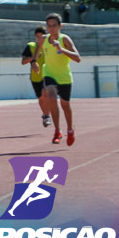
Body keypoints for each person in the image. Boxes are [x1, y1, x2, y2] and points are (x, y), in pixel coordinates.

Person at [33, 13, 81, 146]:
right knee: (51, 96)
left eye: (54, 26)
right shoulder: (43, 39)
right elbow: (38, 48)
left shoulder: (65, 39)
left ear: (60, 26)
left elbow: (77, 58)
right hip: (49, 74)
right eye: (49, 26)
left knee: (65, 105)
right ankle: (57, 131)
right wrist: (34, 61)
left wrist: (61, 49)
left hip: (64, 77)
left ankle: (70, 130)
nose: (51, 29)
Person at [21, 26, 50, 127]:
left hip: (47, 75)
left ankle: (47, 115)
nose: (39, 38)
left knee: (45, 93)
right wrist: (33, 58)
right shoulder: (30, 46)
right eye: (37, 36)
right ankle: (45, 115)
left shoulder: (49, 46)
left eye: (41, 36)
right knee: (41, 98)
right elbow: (23, 61)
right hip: (35, 77)